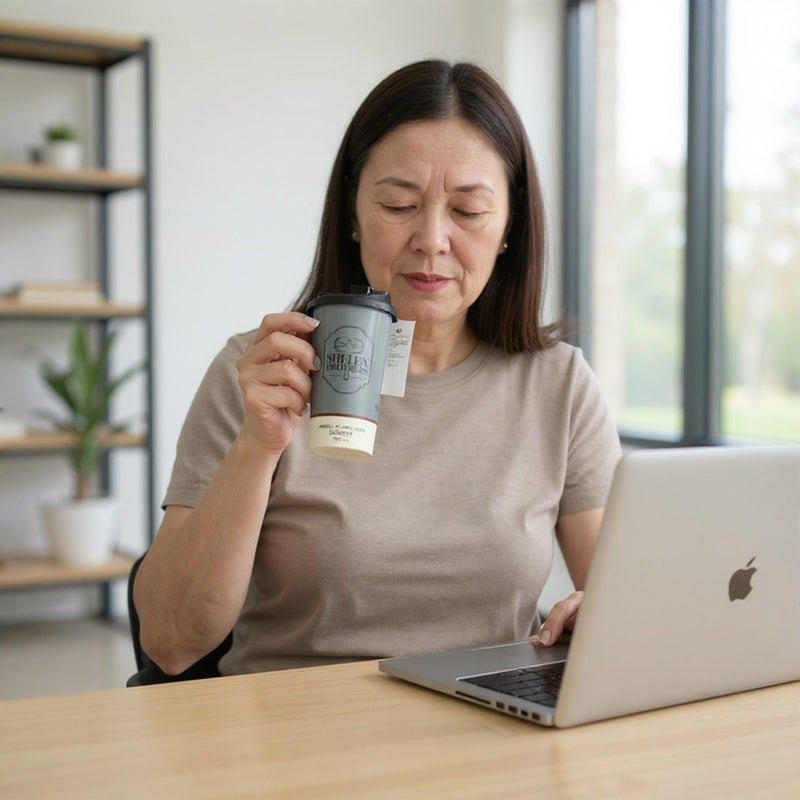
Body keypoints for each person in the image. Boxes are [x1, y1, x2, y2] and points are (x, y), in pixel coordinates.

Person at [134, 60, 621, 676]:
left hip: (491, 735)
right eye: (398, 204)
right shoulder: (263, 371)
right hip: (296, 738)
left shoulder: (559, 385)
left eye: (468, 212)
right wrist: (259, 447)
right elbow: (171, 640)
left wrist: (596, 613)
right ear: (353, 214)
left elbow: (627, 606)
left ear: (509, 229)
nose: (432, 239)